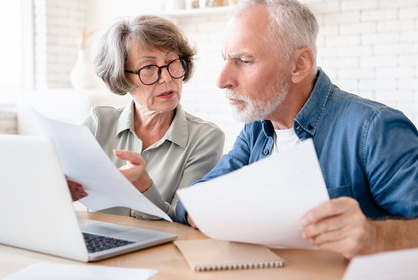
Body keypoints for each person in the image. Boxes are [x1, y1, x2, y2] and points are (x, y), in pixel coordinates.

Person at [175, 0, 418, 259]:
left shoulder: (374, 129)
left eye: (244, 60)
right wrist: (201, 211)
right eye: (225, 60)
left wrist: (376, 236)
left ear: (299, 65)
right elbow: (192, 201)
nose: (222, 81)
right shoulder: (256, 129)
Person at [68, 15, 225, 221]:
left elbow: (185, 219)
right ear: (122, 77)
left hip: (165, 250)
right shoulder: (99, 123)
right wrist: (61, 188)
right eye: (149, 68)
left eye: (172, 63)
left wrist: (145, 187)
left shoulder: (205, 138)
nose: (167, 78)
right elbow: (54, 183)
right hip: (102, 245)